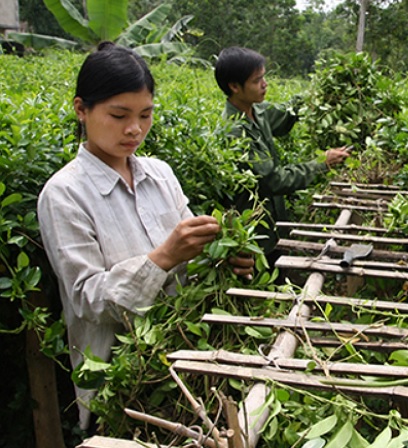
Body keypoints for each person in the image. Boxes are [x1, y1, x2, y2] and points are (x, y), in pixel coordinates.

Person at [37, 42, 254, 433]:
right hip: (122, 389)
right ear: (81, 110)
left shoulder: (160, 174)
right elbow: (87, 298)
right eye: (119, 115)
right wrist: (162, 258)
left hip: (188, 367)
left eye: (145, 114)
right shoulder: (64, 194)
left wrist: (225, 257)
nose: (134, 129)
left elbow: (196, 260)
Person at [214, 46, 350, 265]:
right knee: (264, 281)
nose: (265, 84)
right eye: (257, 80)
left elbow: (286, 115)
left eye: (263, 77)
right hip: (254, 232)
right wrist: (321, 164)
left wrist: (319, 91)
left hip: (276, 222)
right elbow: (274, 180)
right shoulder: (234, 133)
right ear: (234, 87)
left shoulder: (258, 111)